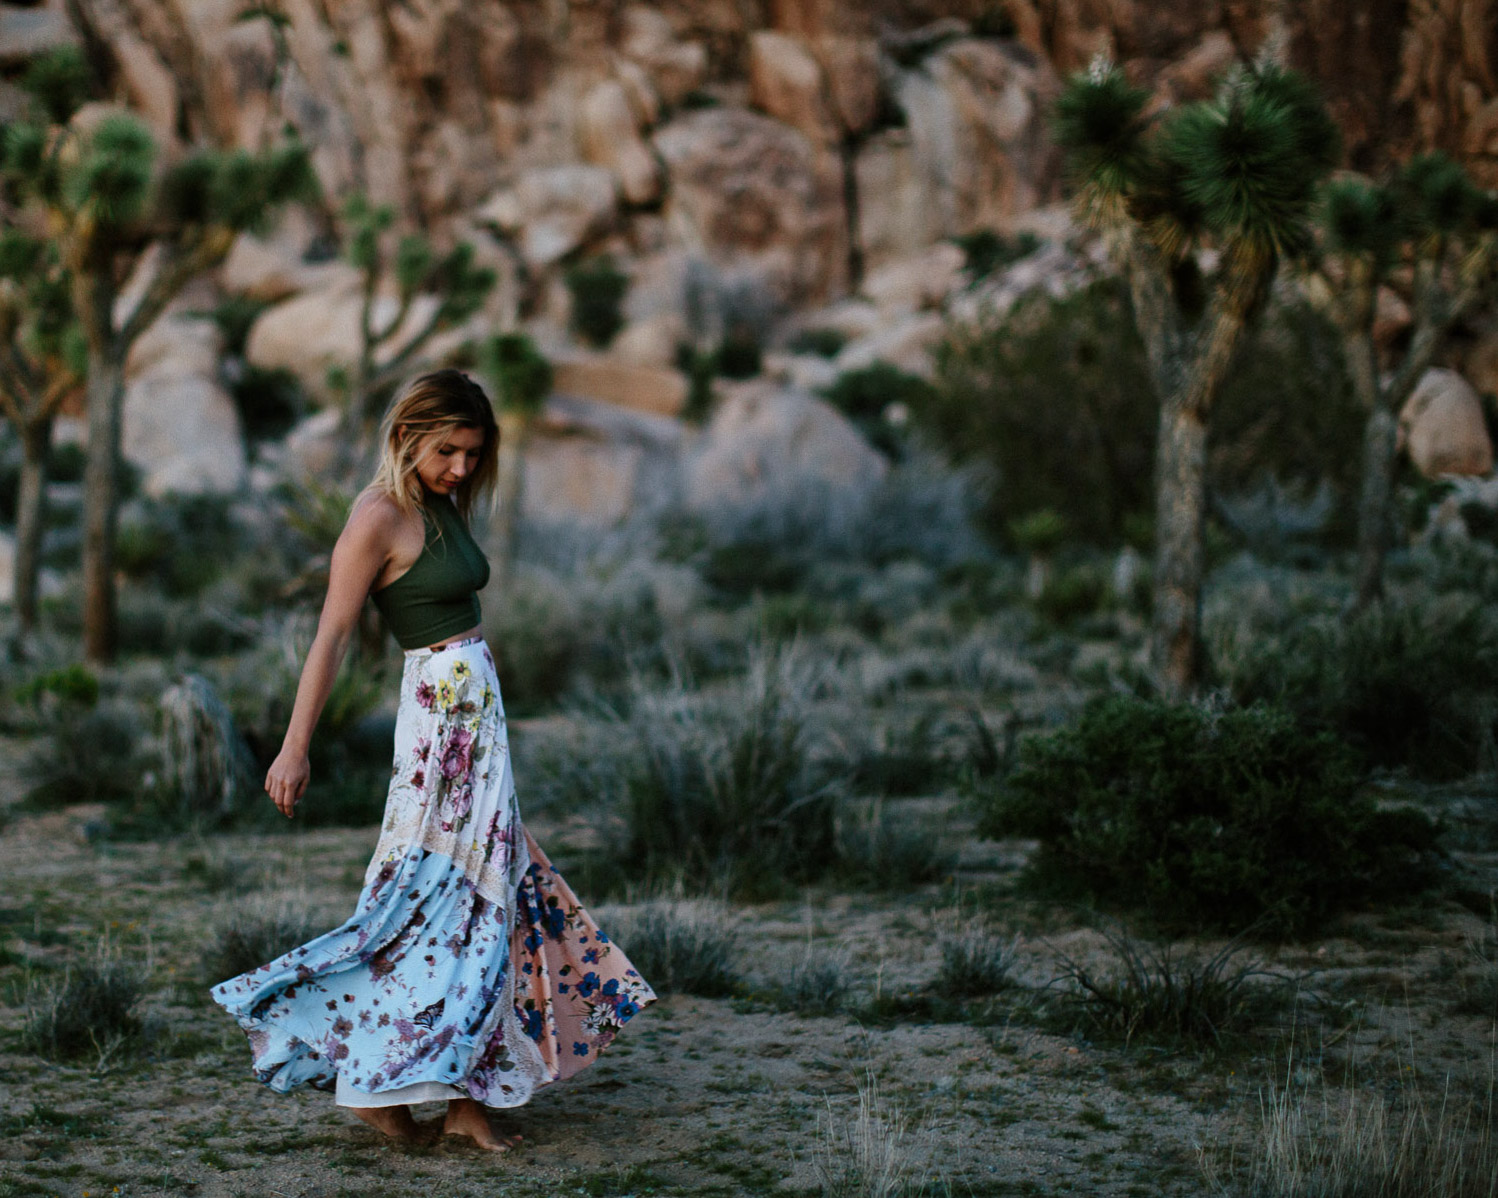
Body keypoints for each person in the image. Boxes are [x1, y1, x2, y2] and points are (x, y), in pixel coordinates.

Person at [210, 370, 654, 1153]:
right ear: (408, 435)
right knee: (440, 897)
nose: (459, 467)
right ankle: (383, 1083)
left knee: (487, 900)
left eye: (472, 453)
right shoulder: (378, 516)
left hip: (476, 721)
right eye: (446, 449)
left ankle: (456, 1097)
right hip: (439, 730)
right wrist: (293, 746)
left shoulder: (441, 504)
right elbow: (332, 636)